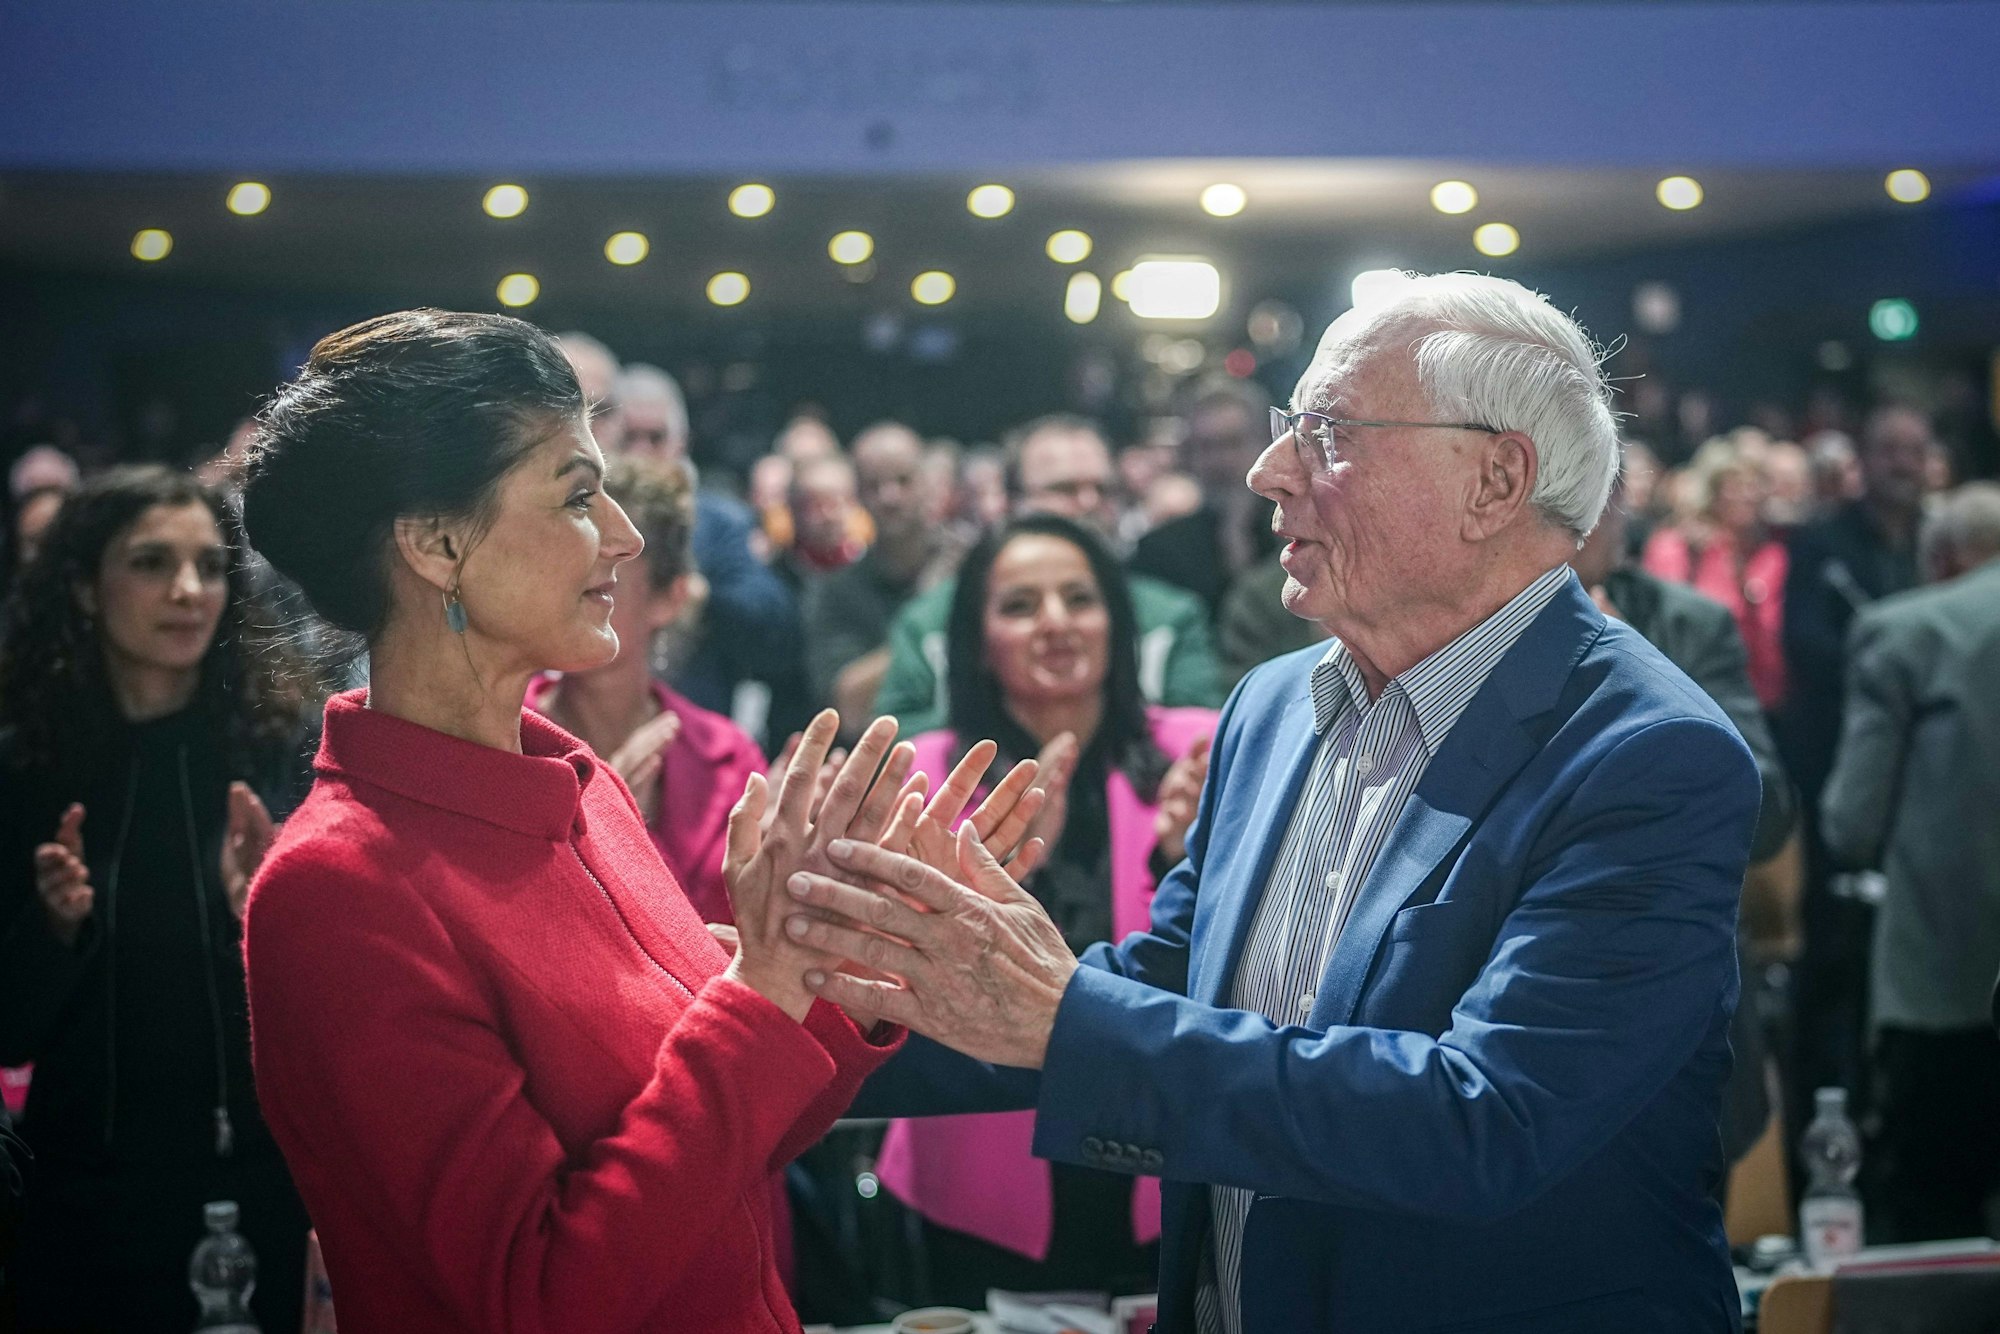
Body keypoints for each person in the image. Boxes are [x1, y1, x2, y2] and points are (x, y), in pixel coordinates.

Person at [803, 274, 1762, 1332]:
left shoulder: (1645, 753)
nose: (1267, 472)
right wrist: (827, 1006)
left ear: (1494, 481)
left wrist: (1066, 1016)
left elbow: (1479, 1118)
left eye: (1329, 434)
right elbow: (1178, 980)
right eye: (1284, 429)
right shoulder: (1273, 703)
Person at [234, 309, 915, 1333]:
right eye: (578, 495)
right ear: (437, 540)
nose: (625, 536)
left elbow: (725, 1144)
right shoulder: (338, 889)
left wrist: (828, 983)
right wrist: (761, 986)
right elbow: (543, 1295)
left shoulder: (576, 782)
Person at [0, 465, 318, 1332]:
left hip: (262, 1183)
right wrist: (55, 929)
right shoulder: (28, 771)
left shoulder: (280, 754)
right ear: (83, 586)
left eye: (210, 567)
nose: (188, 592)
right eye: (150, 563)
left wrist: (264, 917)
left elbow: (338, 1014)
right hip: (83, 1208)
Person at [875, 513, 1216, 1305]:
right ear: (977, 638)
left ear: (1117, 621)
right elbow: (893, 976)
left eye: (1078, 597)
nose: (1056, 622)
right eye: (1021, 605)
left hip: (1162, 1161)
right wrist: (997, 875)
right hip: (974, 1177)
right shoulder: (922, 778)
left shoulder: (1197, 753)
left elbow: (1229, 966)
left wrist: (1182, 858)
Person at [1821, 482, 2000, 1243]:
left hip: (1942, 981)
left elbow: (1850, 824)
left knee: (1934, 1230)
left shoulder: (1905, 631)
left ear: (1941, 557)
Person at [1779, 403, 1929, 1170]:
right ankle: (1827, 1144)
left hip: (1928, 786)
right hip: (1843, 769)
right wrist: (1892, 670)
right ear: (1863, 460)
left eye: (1914, 448)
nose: (1902, 462)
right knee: (1833, 961)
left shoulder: (1937, 538)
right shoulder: (1822, 541)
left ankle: (1908, 1123)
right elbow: (1802, 642)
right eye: (1889, 448)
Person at [528, 455, 764, 926]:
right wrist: (598, 831)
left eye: (609, 568)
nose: (579, 580)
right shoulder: (505, 735)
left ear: (670, 598)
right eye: (570, 553)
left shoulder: (727, 757)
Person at [876, 415, 1221, 734]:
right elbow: (898, 741)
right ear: (1010, 503)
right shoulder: (932, 619)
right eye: (1065, 489)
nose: (1088, 503)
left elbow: (1199, 742)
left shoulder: (1170, 615)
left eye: (1103, 489)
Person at [612, 361, 799, 738]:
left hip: (693, 730)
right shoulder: (580, 518)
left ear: (681, 443)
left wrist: (701, 595)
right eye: (629, 437)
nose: (641, 451)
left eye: (656, 437)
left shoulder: (718, 522)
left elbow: (774, 620)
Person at [805, 423, 951, 739]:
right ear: (856, 495)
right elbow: (848, 706)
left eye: (903, 480)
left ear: (929, 484)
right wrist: (928, 612)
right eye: (874, 485)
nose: (890, 497)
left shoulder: (972, 567)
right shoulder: (836, 592)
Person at [1642, 437, 1790, 709]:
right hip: (1692, 696)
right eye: (1734, 484)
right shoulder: (1678, 547)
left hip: (1764, 701)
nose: (1747, 494)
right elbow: (1663, 626)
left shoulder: (1773, 554)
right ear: (1712, 489)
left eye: (1754, 483)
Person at [1129, 381, 1279, 616]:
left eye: (1233, 443)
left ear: (1265, 443)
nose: (1222, 461)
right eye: (1207, 447)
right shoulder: (1160, 550)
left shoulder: (1300, 531)